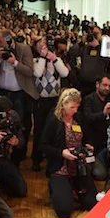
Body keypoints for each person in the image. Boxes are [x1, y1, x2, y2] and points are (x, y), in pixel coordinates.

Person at [40, 88, 98, 218]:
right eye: (72, 107)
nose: (75, 110)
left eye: (77, 107)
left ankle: (74, 187)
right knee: (64, 211)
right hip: (61, 167)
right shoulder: (54, 120)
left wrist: (89, 145)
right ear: (63, 104)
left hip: (79, 165)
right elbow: (43, 145)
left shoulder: (78, 117)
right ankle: (57, 188)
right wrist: (62, 153)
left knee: (92, 204)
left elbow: (88, 135)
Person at [0, 29, 37, 160]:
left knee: (19, 124)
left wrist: (14, 62)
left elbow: (29, 71)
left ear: (8, 39)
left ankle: (18, 156)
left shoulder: (24, 49)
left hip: (19, 94)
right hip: (1, 91)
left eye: (0, 40)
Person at [32, 37, 70, 172]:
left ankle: (51, 159)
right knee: (39, 130)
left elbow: (65, 73)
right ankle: (36, 159)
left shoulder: (57, 60)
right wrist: (43, 57)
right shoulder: (36, 61)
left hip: (55, 100)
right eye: (42, 48)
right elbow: (37, 73)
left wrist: (54, 59)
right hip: (41, 101)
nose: (45, 50)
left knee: (54, 130)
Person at [78, 74, 110, 181]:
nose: (107, 88)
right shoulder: (88, 99)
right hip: (95, 143)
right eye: (104, 85)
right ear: (97, 84)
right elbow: (87, 118)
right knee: (99, 174)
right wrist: (103, 113)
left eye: (109, 86)